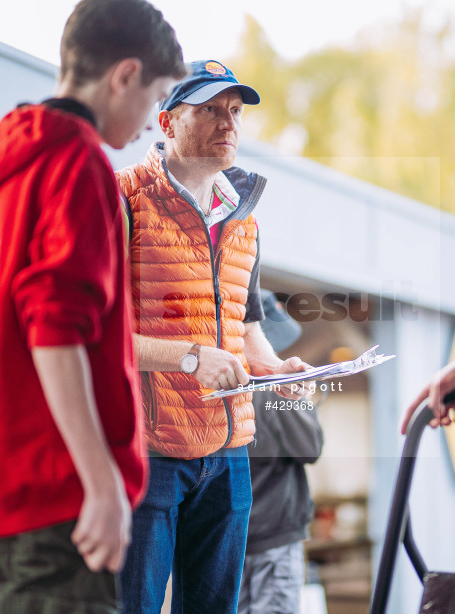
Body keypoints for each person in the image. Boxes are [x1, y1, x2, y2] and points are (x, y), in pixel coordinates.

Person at [0, 1, 185, 612]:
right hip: (59, 506)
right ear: (124, 75)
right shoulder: (78, 162)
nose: (152, 125)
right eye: (155, 98)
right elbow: (53, 325)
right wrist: (101, 484)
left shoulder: (3, 165)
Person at [116, 59, 308, 614]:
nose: (228, 123)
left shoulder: (243, 218)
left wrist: (277, 369)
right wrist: (189, 356)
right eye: (209, 110)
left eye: (235, 112)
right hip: (149, 449)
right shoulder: (122, 198)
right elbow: (92, 334)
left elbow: (247, 329)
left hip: (229, 453)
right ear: (166, 122)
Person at [239, 290, 323, 614]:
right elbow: (311, 447)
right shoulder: (274, 392)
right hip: (273, 539)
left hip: (227, 538)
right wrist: (295, 396)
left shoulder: (226, 386)